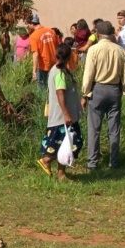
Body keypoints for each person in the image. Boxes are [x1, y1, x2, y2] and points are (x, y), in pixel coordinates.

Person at [81, 20, 125, 169]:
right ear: (111, 34)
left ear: (97, 34)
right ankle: (113, 162)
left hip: (98, 89)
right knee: (114, 129)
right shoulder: (119, 50)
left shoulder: (93, 50)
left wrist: (85, 93)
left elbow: (88, 74)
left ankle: (92, 162)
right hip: (115, 90)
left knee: (94, 128)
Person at [37, 43, 83, 181]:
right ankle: (46, 160)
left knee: (67, 144)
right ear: (69, 56)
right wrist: (66, 114)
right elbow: (60, 93)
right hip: (61, 116)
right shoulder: (59, 73)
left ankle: (61, 174)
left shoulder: (63, 71)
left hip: (66, 116)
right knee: (64, 143)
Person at [28, 14, 60, 91]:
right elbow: (58, 47)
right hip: (54, 64)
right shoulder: (51, 31)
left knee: (42, 88)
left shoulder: (33, 36)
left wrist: (34, 71)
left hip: (42, 66)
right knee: (54, 87)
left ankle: (43, 103)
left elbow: (35, 54)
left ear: (32, 24)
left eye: (28, 24)